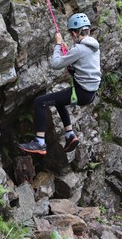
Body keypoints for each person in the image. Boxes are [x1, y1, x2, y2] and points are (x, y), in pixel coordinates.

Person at [19, 13, 101, 155]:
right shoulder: (94, 47)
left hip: (81, 93)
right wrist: (68, 52)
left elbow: (56, 64)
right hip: (90, 93)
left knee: (40, 102)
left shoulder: (79, 49)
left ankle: (40, 142)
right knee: (59, 101)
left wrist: (58, 45)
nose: (71, 37)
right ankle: (70, 135)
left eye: (71, 34)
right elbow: (80, 60)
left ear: (75, 33)